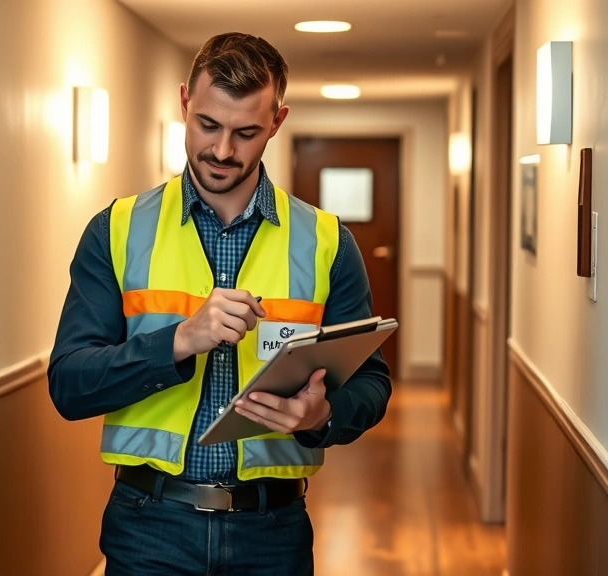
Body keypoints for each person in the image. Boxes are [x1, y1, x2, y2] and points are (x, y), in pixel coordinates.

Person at [48, 31, 391, 576]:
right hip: (149, 526)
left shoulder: (327, 242)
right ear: (185, 102)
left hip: (272, 532)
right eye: (208, 124)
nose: (223, 150)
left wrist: (324, 415)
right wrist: (180, 340)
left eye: (246, 132)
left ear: (277, 122)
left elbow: (372, 384)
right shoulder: (116, 230)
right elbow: (68, 384)